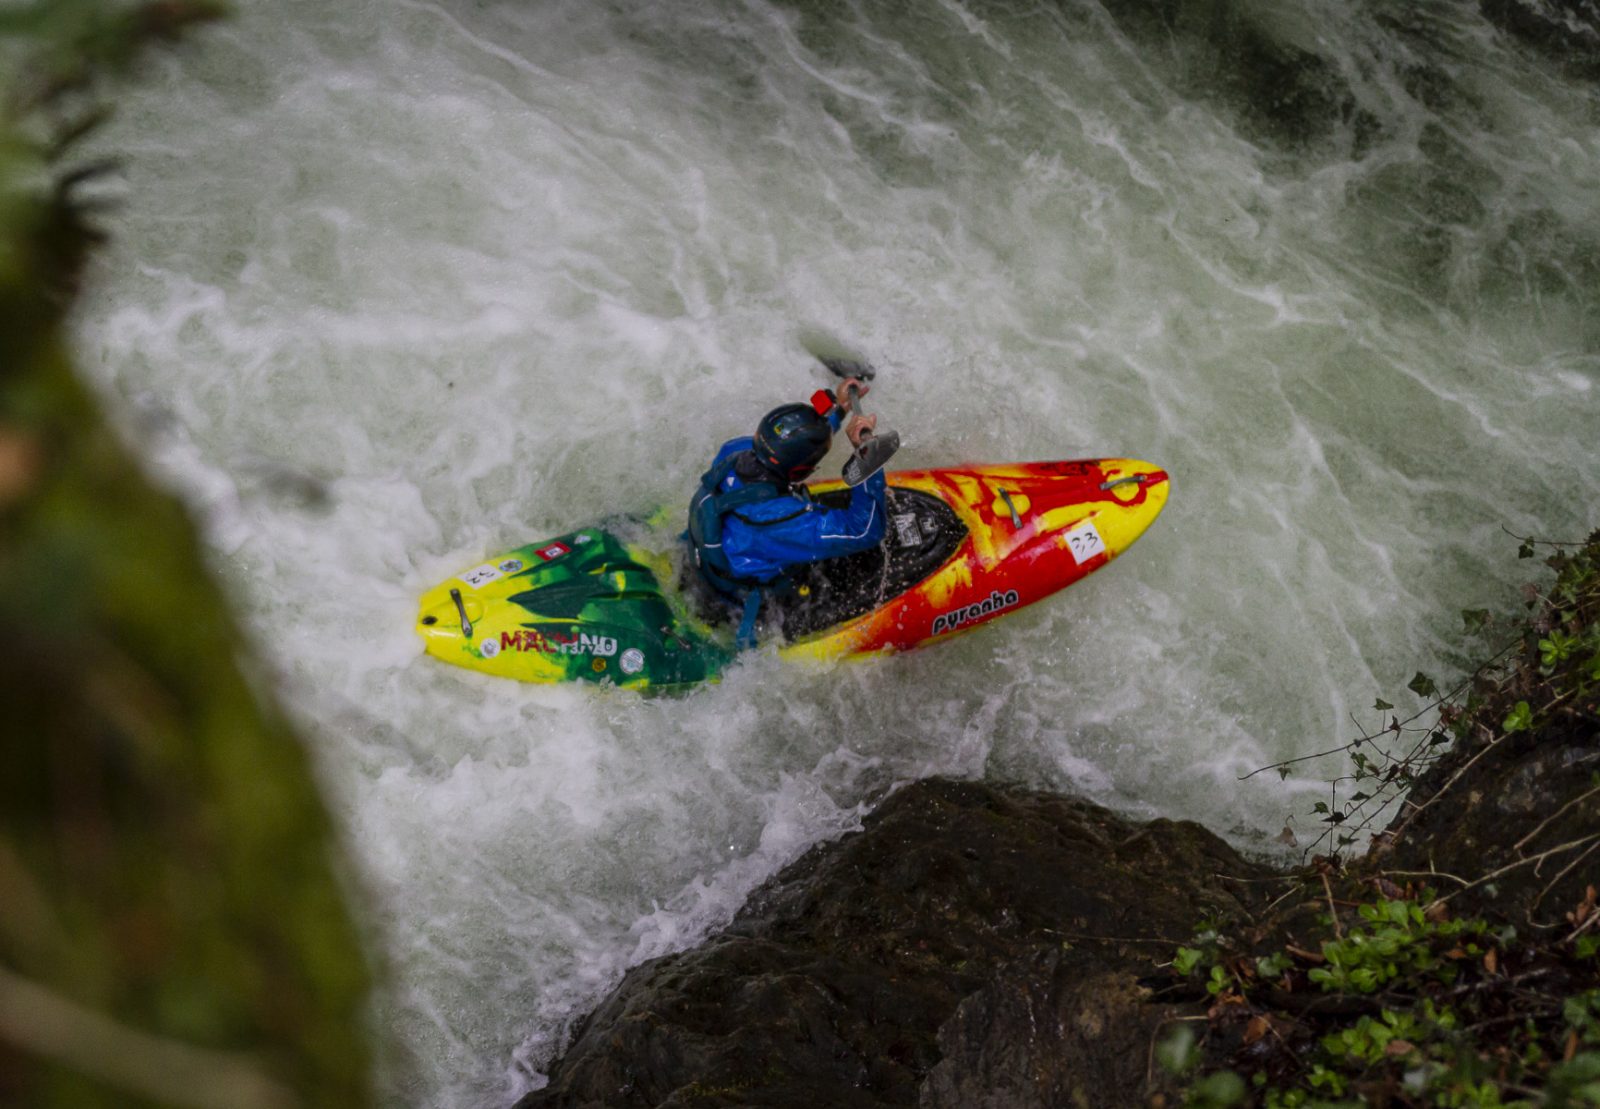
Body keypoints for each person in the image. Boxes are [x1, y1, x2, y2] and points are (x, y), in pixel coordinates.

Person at [687, 377, 887, 647]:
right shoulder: (778, 519)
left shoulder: (735, 450)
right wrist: (867, 458)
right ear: (800, 472)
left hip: (715, 560)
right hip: (746, 602)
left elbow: (788, 446)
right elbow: (865, 531)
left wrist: (839, 409)